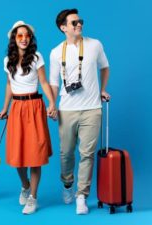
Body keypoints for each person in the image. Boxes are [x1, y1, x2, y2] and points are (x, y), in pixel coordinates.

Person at [49, 9, 110, 215]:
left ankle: (81, 196)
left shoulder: (95, 45)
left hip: (92, 108)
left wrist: (102, 90)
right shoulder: (56, 52)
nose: (79, 25)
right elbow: (54, 83)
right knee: (66, 153)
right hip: (67, 110)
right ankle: (67, 185)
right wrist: (51, 104)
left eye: (80, 21)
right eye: (74, 23)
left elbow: (105, 67)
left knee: (87, 154)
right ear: (63, 27)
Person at [0, 21, 56, 215]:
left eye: (27, 35)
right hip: (17, 108)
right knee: (18, 155)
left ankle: (33, 197)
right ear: (14, 38)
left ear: (30, 38)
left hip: (34, 107)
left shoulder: (37, 57)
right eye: (19, 35)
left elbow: (44, 82)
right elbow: (9, 85)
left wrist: (52, 103)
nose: (23, 38)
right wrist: (5, 108)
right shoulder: (8, 61)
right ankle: (25, 185)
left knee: (35, 154)